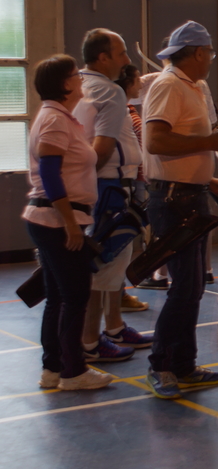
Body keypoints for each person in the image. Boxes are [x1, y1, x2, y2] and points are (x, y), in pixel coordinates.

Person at [142, 21, 218, 399]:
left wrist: (209, 181)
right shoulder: (168, 85)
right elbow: (156, 141)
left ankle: (183, 364)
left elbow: (184, 149)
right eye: (209, 53)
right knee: (184, 287)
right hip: (172, 200)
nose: (211, 59)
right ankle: (161, 365)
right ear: (198, 53)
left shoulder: (194, 86)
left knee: (193, 287)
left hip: (190, 194)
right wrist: (211, 141)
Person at [23, 55, 113, 391]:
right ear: (65, 84)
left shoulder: (59, 117)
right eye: (77, 75)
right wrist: (70, 224)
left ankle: (54, 368)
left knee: (58, 296)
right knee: (75, 296)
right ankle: (73, 371)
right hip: (57, 220)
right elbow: (50, 173)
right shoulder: (55, 120)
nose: (81, 80)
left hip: (53, 219)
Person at [73, 29, 150, 363]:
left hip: (104, 185)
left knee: (113, 261)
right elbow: (101, 148)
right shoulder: (109, 90)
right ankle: (91, 341)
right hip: (110, 187)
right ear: (102, 58)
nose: (127, 60)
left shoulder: (79, 85)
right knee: (104, 264)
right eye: (121, 54)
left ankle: (114, 326)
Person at [114, 65, 149, 313]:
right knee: (120, 244)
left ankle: (118, 293)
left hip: (132, 184)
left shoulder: (127, 113)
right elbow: (142, 152)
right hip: (130, 185)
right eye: (137, 80)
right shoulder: (125, 114)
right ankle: (117, 294)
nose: (141, 84)